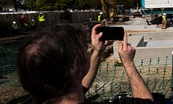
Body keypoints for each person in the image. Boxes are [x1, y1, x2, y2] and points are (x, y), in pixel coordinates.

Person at [17, 23, 163, 103]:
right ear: (78, 71)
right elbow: (147, 102)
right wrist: (128, 64)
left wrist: (97, 51)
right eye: (85, 50)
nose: (88, 51)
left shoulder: (45, 93)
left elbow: (79, 87)